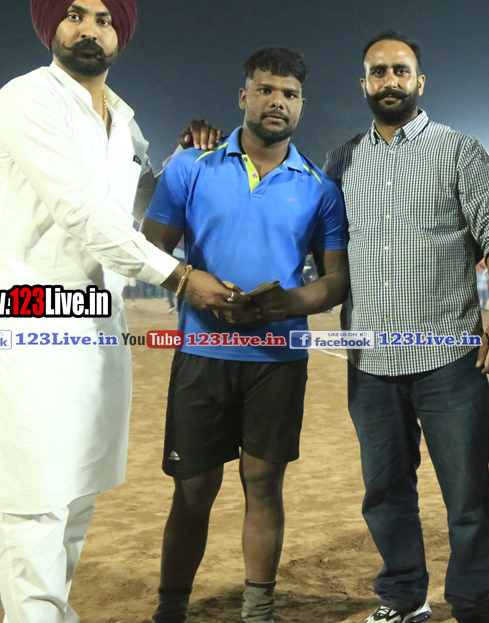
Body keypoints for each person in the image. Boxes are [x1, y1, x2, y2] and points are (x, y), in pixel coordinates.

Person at [0, 0, 243, 623]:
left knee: (77, 488)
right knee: (34, 497)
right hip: (24, 314)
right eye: (75, 15)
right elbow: (78, 211)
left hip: (94, 320)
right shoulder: (26, 100)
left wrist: (187, 162)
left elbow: (135, 202)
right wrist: (178, 275)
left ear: (120, 31)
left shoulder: (121, 119)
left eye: (104, 19)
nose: (89, 29)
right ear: (50, 21)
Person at [142, 47, 348, 623]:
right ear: (244, 96)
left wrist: (289, 302)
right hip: (201, 353)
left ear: (301, 105)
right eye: (265, 89)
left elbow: (336, 280)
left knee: (263, 483)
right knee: (193, 487)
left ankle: (258, 610)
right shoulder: (191, 166)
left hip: (278, 359)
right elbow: (149, 248)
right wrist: (191, 284)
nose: (276, 101)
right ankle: (170, 610)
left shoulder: (319, 188)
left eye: (289, 94)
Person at [323, 29, 489, 623]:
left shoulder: (458, 150)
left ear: (420, 81)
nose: (390, 81)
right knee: (384, 492)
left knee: (466, 496)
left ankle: (472, 601)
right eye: (379, 71)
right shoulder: (341, 161)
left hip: (449, 361)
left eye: (400, 70)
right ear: (363, 83)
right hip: (370, 363)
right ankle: (404, 598)